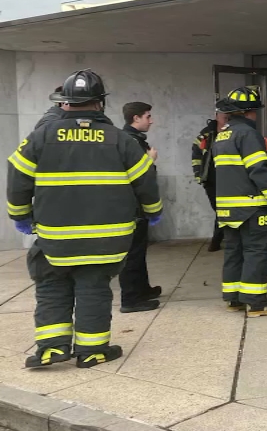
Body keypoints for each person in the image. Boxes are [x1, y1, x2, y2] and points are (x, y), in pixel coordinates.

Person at [7, 69, 162, 368]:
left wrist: (20, 215)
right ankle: (91, 352)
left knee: (51, 287)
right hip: (106, 236)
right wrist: (153, 212)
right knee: (93, 288)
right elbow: (146, 181)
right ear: (100, 103)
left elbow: (17, 176)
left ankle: (52, 350)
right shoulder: (120, 139)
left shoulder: (41, 136)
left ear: (65, 102)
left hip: (55, 236)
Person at [213, 87, 267, 317]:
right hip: (251, 207)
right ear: (248, 112)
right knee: (257, 252)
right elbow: (258, 169)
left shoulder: (222, 135)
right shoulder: (247, 134)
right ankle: (256, 303)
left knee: (234, 252)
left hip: (227, 209)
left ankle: (234, 298)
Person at [119, 102, 161, 313]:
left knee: (139, 251)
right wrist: (150, 161)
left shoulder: (133, 139)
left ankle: (143, 289)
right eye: (147, 116)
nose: (151, 120)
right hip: (132, 207)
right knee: (132, 253)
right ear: (136, 118)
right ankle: (131, 299)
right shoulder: (130, 141)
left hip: (137, 206)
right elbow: (139, 176)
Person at [192, 110, 230, 251]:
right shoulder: (206, 135)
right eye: (223, 116)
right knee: (220, 210)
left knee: (223, 210)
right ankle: (218, 239)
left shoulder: (234, 132)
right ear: (216, 117)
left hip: (229, 179)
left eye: (228, 116)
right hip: (211, 179)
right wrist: (198, 175)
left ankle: (217, 240)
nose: (226, 119)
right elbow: (196, 156)